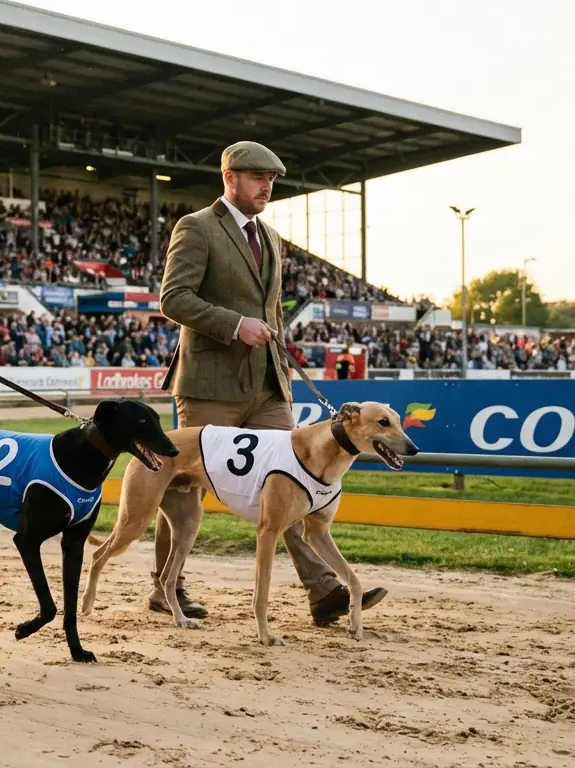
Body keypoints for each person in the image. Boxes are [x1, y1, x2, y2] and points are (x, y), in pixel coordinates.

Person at [157, 140, 386, 628]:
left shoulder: (272, 238)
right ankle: (166, 586)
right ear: (230, 177)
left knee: (298, 480)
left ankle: (323, 590)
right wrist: (235, 324)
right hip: (208, 383)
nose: (267, 186)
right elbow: (173, 298)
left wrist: (272, 347)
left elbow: (269, 310)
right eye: (258, 177)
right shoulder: (195, 227)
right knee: (182, 485)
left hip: (268, 384)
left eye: (272, 180)